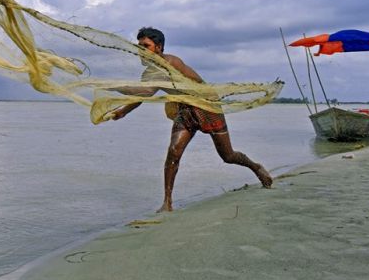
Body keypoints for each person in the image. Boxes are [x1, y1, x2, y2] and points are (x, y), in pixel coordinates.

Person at [111, 27, 272, 212]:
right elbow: (142, 96)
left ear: (159, 47)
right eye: (139, 46)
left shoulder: (170, 62)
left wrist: (114, 87)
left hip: (206, 105)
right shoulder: (149, 72)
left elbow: (146, 91)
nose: (141, 50)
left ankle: (256, 167)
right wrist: (124, 111)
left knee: (227, 156)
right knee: (173, 152)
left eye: (145, 45)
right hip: (185, 108)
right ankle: (167, 203)